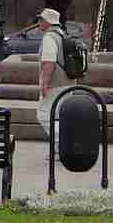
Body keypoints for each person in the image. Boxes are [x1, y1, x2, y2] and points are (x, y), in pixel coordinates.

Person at [31, 8, 69, 136]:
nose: (39, 22)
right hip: (68, 82)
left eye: (41, 20)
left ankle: (60, 142)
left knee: (44, 114)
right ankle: (62, 144)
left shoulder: (49, 37)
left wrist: (44, 83)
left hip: (55, 85)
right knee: (58, 116)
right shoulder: (62, 35)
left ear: (48, 21)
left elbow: (49, 62)